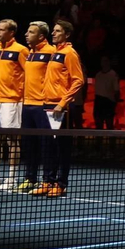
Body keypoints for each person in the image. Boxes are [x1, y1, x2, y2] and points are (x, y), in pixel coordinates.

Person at [42, 20, 86, 197]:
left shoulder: (70, 53)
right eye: (53, 30)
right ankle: (48, 181)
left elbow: (78, 80)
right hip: (48, 105)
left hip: (62, 107)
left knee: (62, 147)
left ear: (66, 35)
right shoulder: (54, 53)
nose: (53, 33)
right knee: (49, 146)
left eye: (57, 31)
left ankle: (61, 184)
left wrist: (63, 102)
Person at [0, 19, 25, 190]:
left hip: (12, 101)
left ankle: (11, 179)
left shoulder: (21, 50)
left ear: (11, 33)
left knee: (12, 140)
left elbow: (28, 73)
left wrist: (21, 96)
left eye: (2, 30)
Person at [18, 21, 55, 194]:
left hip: (43, 105)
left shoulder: (51, 52)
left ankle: (47, 180)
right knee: (28, 144)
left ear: (41, 36)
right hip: (27, 104)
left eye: (31, 32)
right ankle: (30, 178)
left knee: (46, 144)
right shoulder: (30, 53)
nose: (26, 34)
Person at [93, 55, 120, 130]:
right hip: (98, 101)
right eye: (102, 61)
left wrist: (115, 102)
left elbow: (116, 90)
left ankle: (111, 141)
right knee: (98, 124)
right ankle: (99, 141)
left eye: (106, 61)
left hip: (108, 102)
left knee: (109, 124)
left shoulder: (113, 74)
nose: (104, 63)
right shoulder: (98, 75)